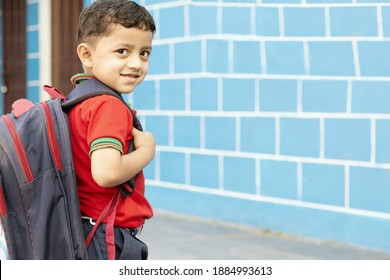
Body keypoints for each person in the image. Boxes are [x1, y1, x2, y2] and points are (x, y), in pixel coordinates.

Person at [68, 0, 156, 260]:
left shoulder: (78, 100)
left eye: (144, 53)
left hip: (85, 227)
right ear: (87, 55)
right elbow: (107, 173)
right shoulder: (108, 106)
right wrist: (147, 151)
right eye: (122, 51)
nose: (137, 63)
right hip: (107, 236)